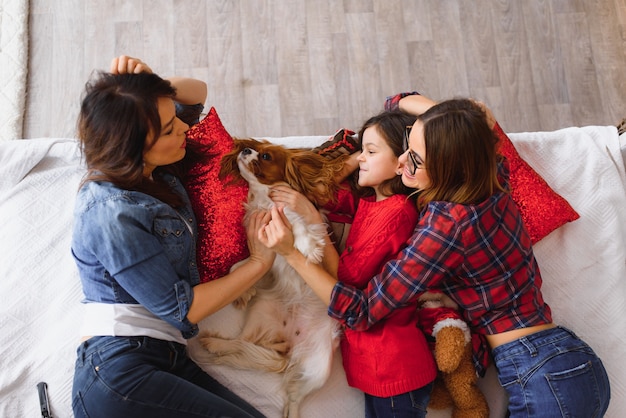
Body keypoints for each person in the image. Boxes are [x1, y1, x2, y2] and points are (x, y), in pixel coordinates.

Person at [260, 92, 611, 417]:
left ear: (448, 168)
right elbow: (455, 111)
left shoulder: (446, 227)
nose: (400, 165)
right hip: (568, 363)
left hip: (540, 373)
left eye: (415, 160)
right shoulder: (489, 172)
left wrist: (291, 253)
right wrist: (430, 123)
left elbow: (363, 310)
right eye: (406, 147)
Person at [71, 55, 274, 418]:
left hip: (162, 357)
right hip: (120, 371)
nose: (183, 128)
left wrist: (151, 82)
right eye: (167, 129)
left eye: (174, 119)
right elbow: (183, 309)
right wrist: (258, 263)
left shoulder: (150, 170)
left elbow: (197, 95)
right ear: (131, 146)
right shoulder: (111, 212)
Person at [274, 110, 437, 417]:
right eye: (363, 150)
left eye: (372, 152)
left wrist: (311, 219)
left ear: (402, 160)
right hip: (378, 369)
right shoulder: (367, 203)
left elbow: (345, 280)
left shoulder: (397, 211)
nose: (363, 158)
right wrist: (355, 156)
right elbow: (313, 190)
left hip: (393, 365)